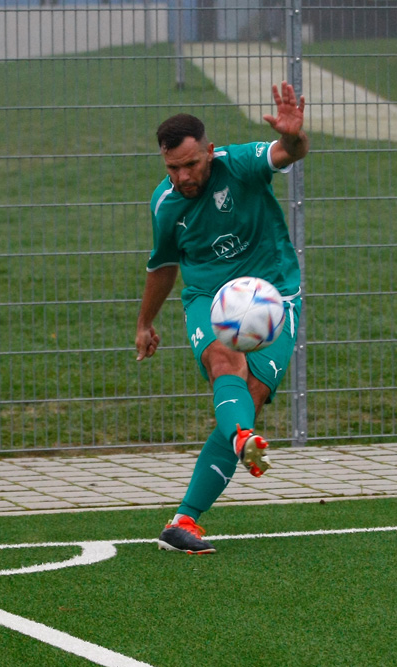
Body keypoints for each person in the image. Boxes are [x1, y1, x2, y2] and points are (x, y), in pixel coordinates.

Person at [135, 81, 309, 554]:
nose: (184, 176)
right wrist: (145, 322)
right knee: (222, 361)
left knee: (247, 395)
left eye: (191, 164)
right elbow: (163, 266)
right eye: (173, 168)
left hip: (273, 294)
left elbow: (288, 152)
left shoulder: (242, 164)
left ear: (210, 152)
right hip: (211, 297)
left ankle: (185, 520)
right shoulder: (166, 203)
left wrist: (293, 135)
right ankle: (241, 438)